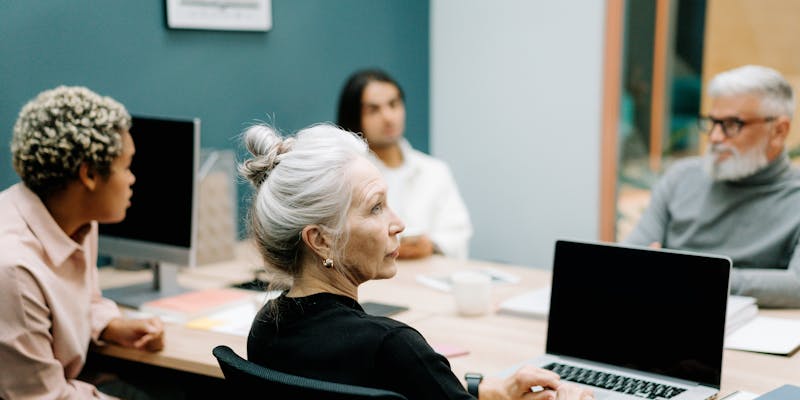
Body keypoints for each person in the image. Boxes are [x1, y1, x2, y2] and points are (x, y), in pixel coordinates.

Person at [242, 123, 593, 400]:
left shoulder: (265, 329)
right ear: (320, 240)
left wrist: (488, 390)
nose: (399, 223)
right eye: (376, 207)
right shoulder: (391, 347)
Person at [0, 86, 165, 399]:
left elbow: (82, 299)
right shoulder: (13, 269)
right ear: (88, 175)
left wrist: (110, 325)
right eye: (127, 166)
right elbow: (41, 396)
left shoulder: (74, 221)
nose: (133, 179)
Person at [624, 65, 800, 308]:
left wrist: (697, 276)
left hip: (749, 327)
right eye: (713, 122)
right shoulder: (681, 177)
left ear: (779, 131)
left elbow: (796, 285)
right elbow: (631, 258)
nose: (715, 137)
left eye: (732, 124)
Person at [337, 69, 473, 259]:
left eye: (393, 104)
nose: (388, 117)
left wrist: (431, 245)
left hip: (429, 276)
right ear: (355, 117)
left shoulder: (435, 170)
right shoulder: (345, 175)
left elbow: (458, 233)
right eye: (373, 109)